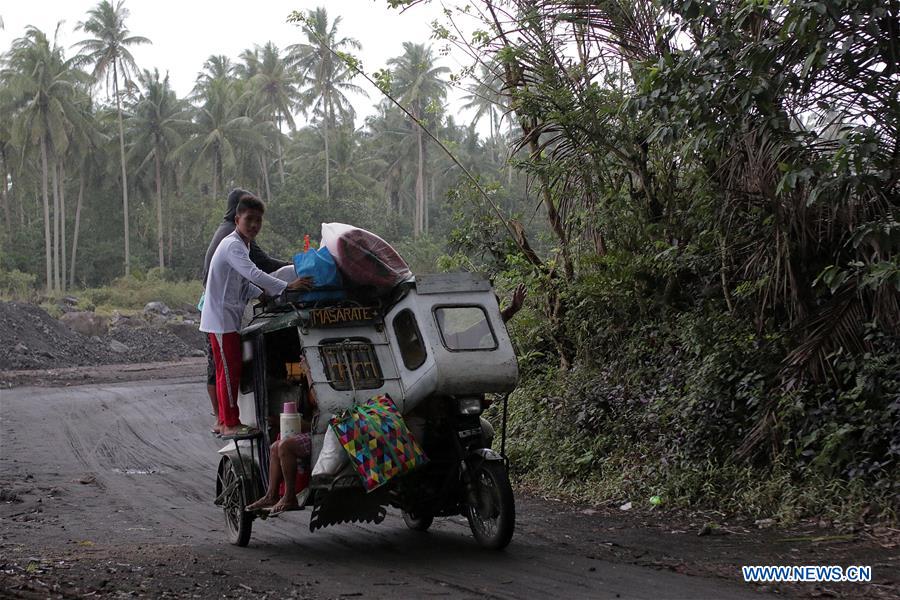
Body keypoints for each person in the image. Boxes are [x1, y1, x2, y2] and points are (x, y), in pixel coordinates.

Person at [200, 194, 312, 437]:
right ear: (237, 219)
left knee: (224, 372)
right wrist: (286, 286)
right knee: (230, 371)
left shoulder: (242, 244)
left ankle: (223, 421)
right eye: (249, 219)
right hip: (221, 318)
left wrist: (260, 294)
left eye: (258, 220)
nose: (254, 225)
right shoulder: (233, 245)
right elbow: (253, 272)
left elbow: (241, 280)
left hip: (223, 317)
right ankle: (230, 423)